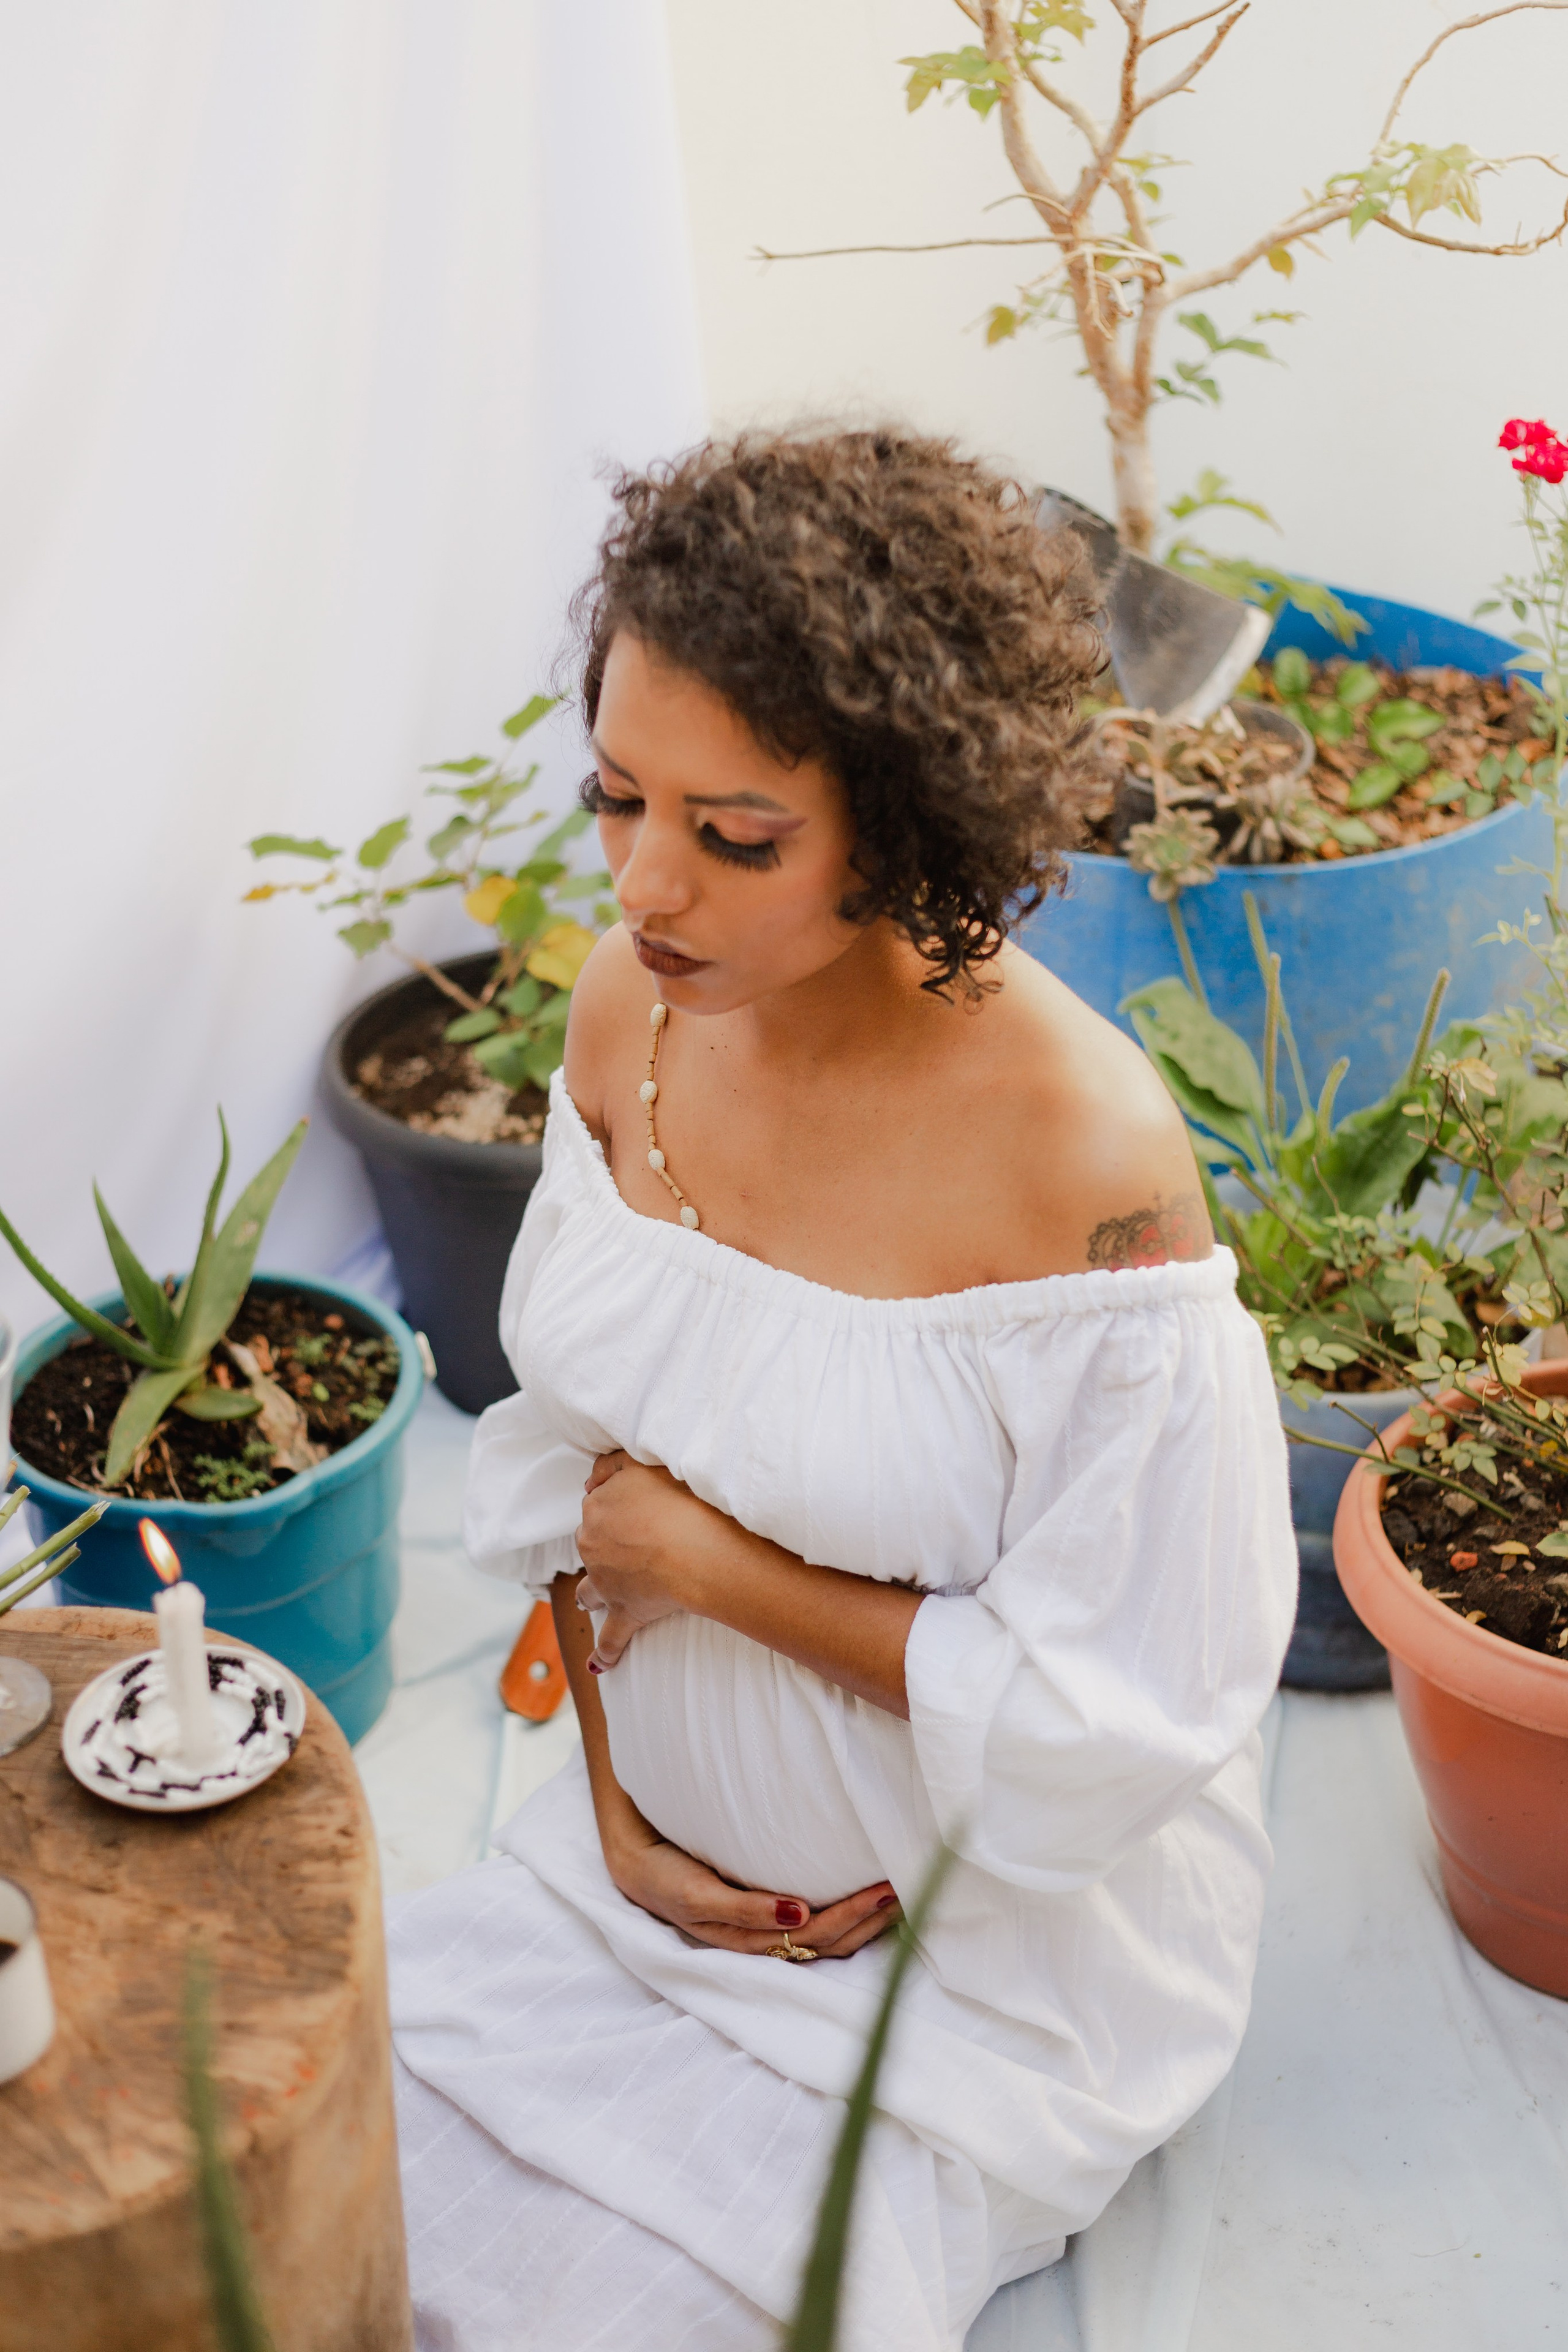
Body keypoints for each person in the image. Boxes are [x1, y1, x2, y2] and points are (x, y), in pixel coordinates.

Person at [387, 429, 1296, 2352]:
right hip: (629, 1888)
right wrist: (617, 1812)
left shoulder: (1083, 1160)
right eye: (618, 796)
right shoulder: (630, 1016)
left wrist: (721, 1573)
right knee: (297, 2198)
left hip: (969, 1986)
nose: (645, 883)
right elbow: (581, 1473)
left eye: (735, 836)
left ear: (901, 819)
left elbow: (1126, 1705)